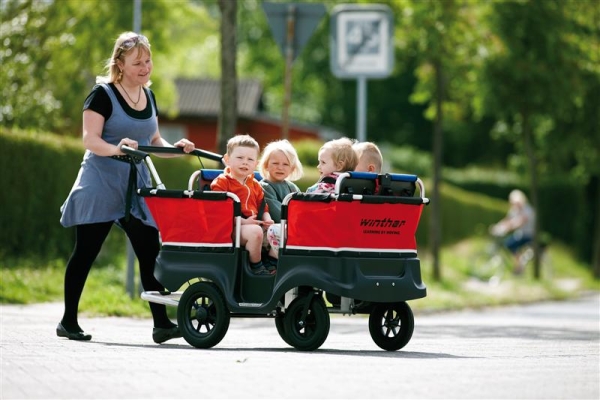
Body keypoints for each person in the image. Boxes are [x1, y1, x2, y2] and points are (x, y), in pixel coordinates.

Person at [58, 32, 195, 343]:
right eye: (137, 62)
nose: (145, 67)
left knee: (150, 250)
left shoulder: (149, 95)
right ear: (119, 64)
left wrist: (178, 148)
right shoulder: (102, 94)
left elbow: (154, 142)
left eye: (148, 61)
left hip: (137, 183)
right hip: (101, 181)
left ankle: (161, 324)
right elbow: (90, 140)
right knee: (86, 252)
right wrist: (118, 148)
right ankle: (68, 321)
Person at [211, 134, 275, 275]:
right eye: (240, 158)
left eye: (250, 159)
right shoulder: (222, 182)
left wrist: (267, 218)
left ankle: (272, 262)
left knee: (282, 231)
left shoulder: (255, 185)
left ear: (255, 164)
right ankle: (256, 267)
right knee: (255, 232)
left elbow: (262, 206)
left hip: (254, 224)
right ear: (227, 160)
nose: (245, 162)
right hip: (231, 228)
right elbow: (220, 212)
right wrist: (244, 222)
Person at [258, 140, 304, 265]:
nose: (280, 167)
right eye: (275, 163)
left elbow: (302, 207)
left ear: (292, 168)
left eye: (285, 164)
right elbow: (277, 212)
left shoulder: (292, 187)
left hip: (288, 227)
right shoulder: (265, 186)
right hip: (270, 231)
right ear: (266, 165)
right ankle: (272, 261)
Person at [490, 189, 536, 274]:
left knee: (510, 244)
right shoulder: (514, 210)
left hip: (527, 235)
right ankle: (517, 264)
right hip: (520, 234)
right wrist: (498, 226)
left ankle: (519, 266)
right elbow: (508, 220)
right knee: (508, 243)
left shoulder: (528, 210)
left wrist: (508, 228)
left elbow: (521, 221)